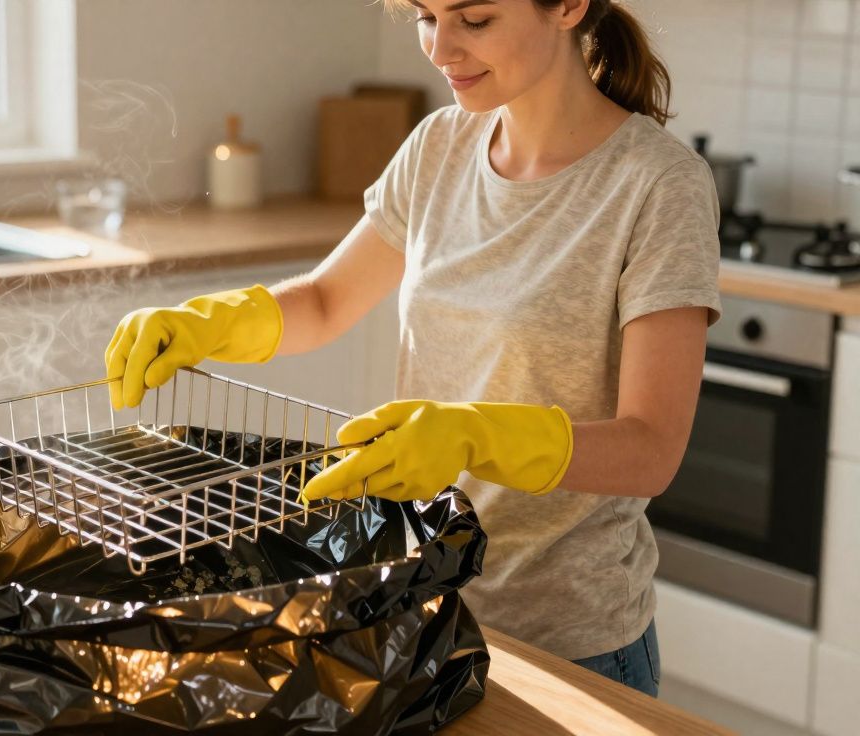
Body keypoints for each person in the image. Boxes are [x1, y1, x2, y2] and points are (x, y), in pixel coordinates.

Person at [103, 0, 720, 698]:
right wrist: (212, 322)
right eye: (426, 17)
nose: (439, 47)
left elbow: (652, 450)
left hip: (570, 646)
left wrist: (473, 435)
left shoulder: (659, 185)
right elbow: (329, 299)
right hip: (421, 609)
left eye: (475, 19)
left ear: (570, 6)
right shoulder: (440, 146)